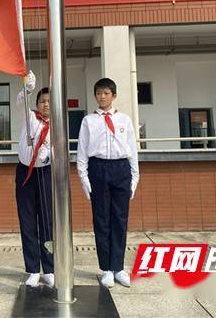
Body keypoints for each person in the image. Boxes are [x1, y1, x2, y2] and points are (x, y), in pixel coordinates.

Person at [77, 78, 139, 288]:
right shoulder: (88, 121)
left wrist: (134, 177)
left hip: (121, 168)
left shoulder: (125, 119)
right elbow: (82, 152)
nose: (102, 97)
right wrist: (84, 178)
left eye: (106, 93)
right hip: (98, 168)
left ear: (113, 95)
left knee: (120, 219)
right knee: (101, 220)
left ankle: (119, 267)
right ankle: (106, 269)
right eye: (98, 93)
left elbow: (132, 149)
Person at [15, 71, 54, 288]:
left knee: (47, 223)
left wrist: (49, 155)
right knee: (28, 222)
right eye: (42, 101)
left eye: (49, 101)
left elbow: (61, 148)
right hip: (25, 174)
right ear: (37, 103)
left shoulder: (59, 124)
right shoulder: (29, 118)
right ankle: (32, 269)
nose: (46, 104)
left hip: (47, 173)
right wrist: (27, 88)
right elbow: (21, 102)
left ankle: (49, 268)